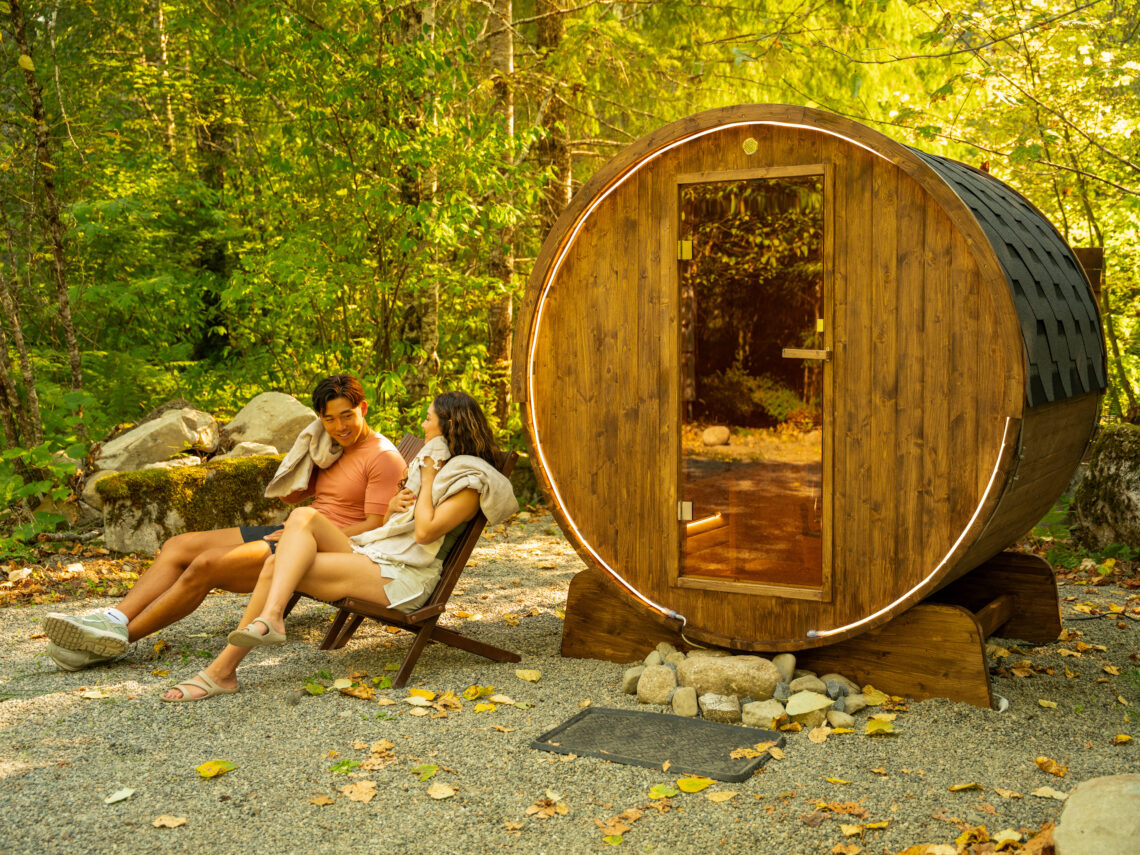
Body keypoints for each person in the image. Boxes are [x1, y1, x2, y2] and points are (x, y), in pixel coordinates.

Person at [161, 391, 517, 702]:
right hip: (381, 558)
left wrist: (426, 476)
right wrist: (396, 507)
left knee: (273, 566)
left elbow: (424, 534)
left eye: (428, 420)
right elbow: (407, 524)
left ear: (449, 426)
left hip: (404, 579)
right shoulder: (441, 468)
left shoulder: (469, 481)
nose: (423, 427)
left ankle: (224, 670)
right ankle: (269, 620)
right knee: (303, 517)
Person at [43, 374, 406, 671]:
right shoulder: (331, 445)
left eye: (347, 416)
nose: (339, 426)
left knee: (205, 565)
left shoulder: (382, 459)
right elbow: (293, 496)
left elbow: (375, 527)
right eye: (329, 418)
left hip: (314, 544)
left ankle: (115, 643)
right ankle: (113, 619)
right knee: (177, 545)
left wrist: (303, 532)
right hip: (294, 529)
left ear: (363, 408)